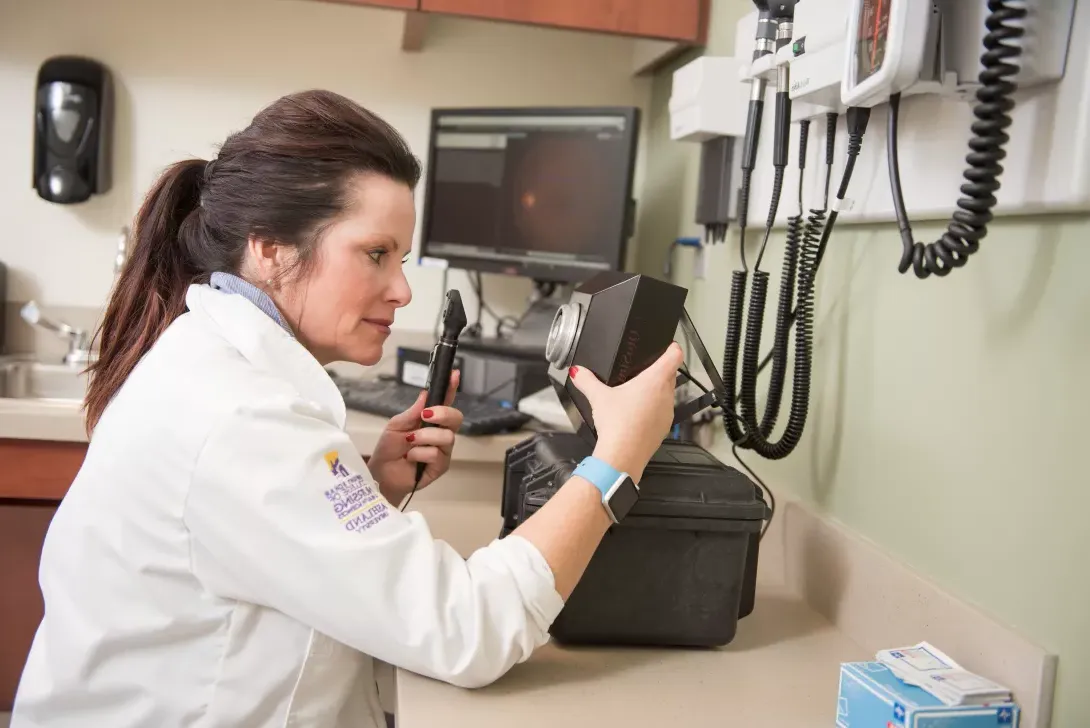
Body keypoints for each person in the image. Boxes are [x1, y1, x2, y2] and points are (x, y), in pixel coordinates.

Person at [11, 89, 682, 727]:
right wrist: (618, 454)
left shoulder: (216, 366)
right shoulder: (242, 420)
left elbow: (272, 552)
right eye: (375, 254)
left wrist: (375, 488)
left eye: (403, 259)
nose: (401, 290)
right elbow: (470, 629)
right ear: (271, 249)